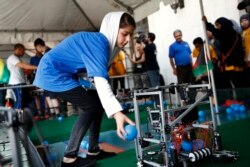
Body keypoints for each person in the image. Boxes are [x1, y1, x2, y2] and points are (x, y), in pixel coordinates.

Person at [33, 11, 136, 167]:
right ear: (113, 28)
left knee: (97, 103)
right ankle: (69, 159)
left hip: (61, 73)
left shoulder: (105, 46)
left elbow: (93, 75)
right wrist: (116, 113)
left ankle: (93, 150)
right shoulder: (99, 42)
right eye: (124, 34)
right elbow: (100, 81)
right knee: (91, 105)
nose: (128, 40)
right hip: (52, 74)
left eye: (130, 35)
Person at [202, 16, 246, 89]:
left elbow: (216, 32)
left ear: (223, 24)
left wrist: (206, 23)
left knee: (237, 84)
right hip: (238, 63)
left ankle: (241, 99)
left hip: (232, 64)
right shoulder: (236, 34)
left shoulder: (226, 33)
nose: (217, 27)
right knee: (240, 83)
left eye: (218, 25)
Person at [6, 43, 37, 110]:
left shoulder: (18, 58)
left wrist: (29, 71)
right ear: (18, 49)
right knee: (19, 102)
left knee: (26, 101)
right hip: (16, 83)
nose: (23, 52)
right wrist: (37, 67)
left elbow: (23, 69)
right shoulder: (12, 58)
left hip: (21, 82)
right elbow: (23, 66)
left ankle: (25, 117)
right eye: (23, 50)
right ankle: (18, 118)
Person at [169, 29, 195, 105]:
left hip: (189, 67)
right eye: (176, 36)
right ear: (174, 37)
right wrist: (174, 69)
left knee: (191, 83)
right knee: (181, 84)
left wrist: (192, 65)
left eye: (179, 35)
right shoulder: (172, 46)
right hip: (180, 68)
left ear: (181, 35)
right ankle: (184, 100)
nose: (178, 37)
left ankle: (192, 99)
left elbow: (190, 55)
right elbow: (171, 58)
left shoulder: (186, 44)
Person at [240, 14, 250, 87]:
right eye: (242, 21)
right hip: (245, 61)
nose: (244, 22)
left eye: (246, 20)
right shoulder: (242, 33)